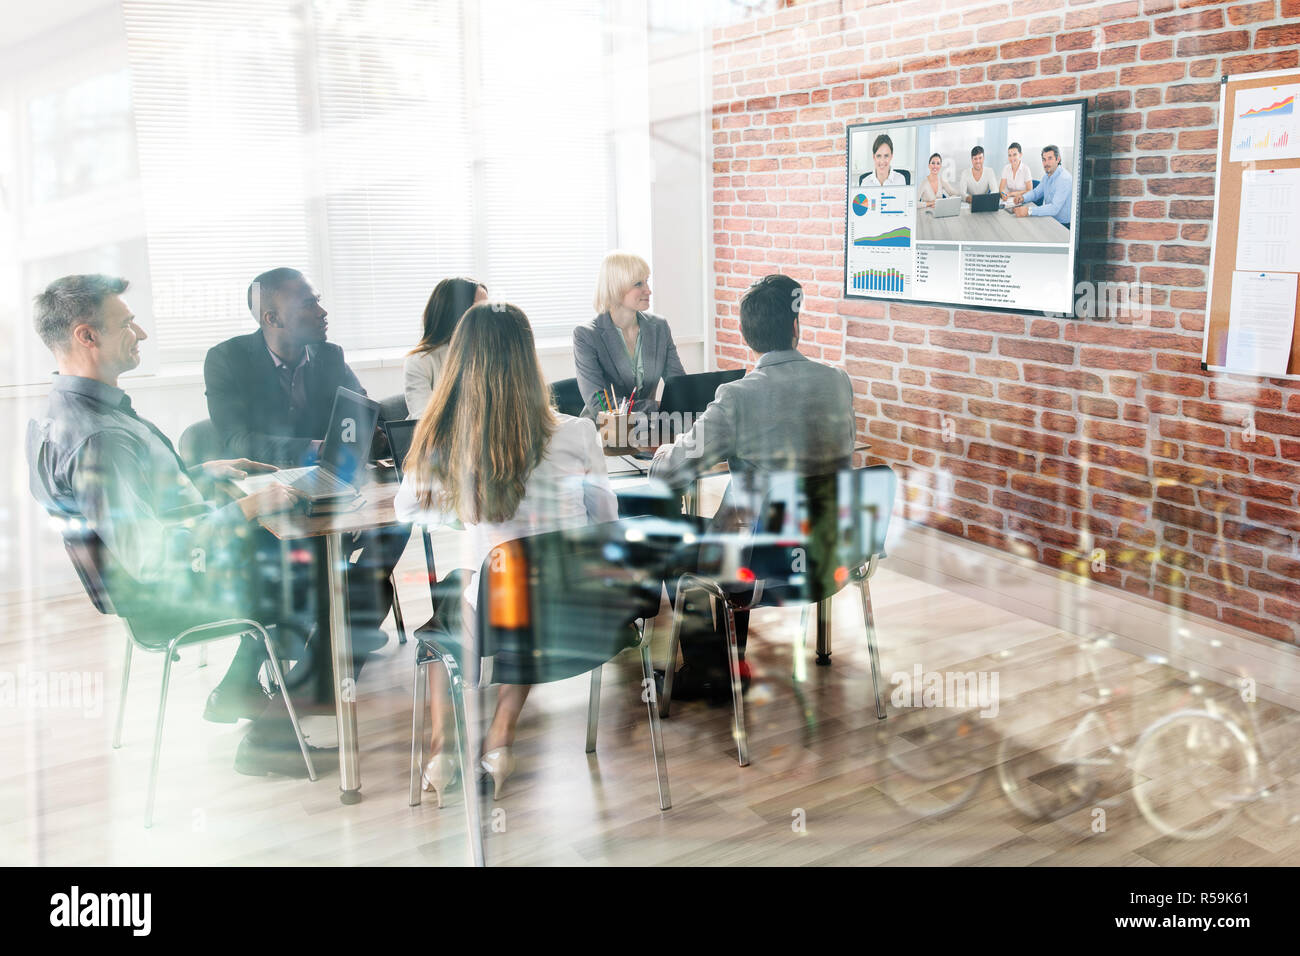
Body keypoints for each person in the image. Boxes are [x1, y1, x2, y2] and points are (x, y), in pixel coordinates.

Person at [25, 274, 324, 776]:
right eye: (127, 323)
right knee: (317, 569)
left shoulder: (61, 413)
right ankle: (267, 732)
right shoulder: (100, 438)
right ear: (86, 336)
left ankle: (247, 686)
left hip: (139, 584)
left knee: (301, 557)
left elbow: (130, 506)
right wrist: (250, 508)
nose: (140, 334)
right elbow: (152, 555)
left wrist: (201, 475)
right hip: (163, 596)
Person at [395, 302, 617, 804]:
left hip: (499, 613)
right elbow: (607, 523)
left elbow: (406, 508)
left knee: (454, 601)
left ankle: (440, 753)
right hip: (582, 611)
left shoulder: (446, 440)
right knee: (524, 596)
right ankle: (499, 741)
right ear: (528, 358)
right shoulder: (578, 432)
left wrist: (459, 507)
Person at [648, 273, 855, 701]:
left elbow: (671, 475)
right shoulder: (837, 381)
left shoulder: (737, 397)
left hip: (758, 563)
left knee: (670, 534)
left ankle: (709, 669)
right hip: (826, 554)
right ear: (796, 327)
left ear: (746, 336)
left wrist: (661, 454)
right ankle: (726, 657)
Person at [203, 267, 410, 673]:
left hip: (331, 486)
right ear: (272, 318)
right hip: (268, 495)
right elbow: (234, 442)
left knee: (401, 518)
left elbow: (359, 412)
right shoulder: (227, 360)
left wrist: (379, 436)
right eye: (309, 302)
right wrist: (315, 448)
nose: (322, 310)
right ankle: (341, 624)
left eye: (319, 300)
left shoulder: (330, 355)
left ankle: (344, 616)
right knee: (349, 571)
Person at [572, 251, 685, 418]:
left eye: (647, 281)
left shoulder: (659, 327)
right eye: (638, 284)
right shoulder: (586, 335)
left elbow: (678, 384)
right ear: (616, 287)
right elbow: (599, 403)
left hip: (648, 428)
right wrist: (659, 407)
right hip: (604, 432)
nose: (648, 290)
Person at [404, 277, 487, 418]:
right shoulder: (420, 360)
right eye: (480, 308)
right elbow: (424, 420)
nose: (488, 315)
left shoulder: (488, 353)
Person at [1013, 145, 1073, 227]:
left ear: (1058, 159)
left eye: (1050, 158)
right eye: (1044, 160)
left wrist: (1028, 211)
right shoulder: (1047, 176)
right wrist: (1023, 198)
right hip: (1050, 219)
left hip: (1062, 225)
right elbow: (1036, 193)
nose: (1046, 163)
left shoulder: (1064, 179)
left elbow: (1054, 208)